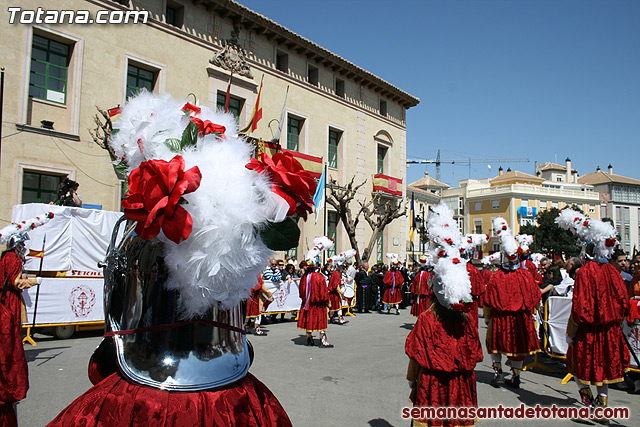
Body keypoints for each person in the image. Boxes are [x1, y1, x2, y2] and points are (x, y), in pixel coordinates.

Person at [405, 202, 482, 427]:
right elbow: (475, 354)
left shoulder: (427, 319)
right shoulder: (468, 320)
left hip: (433, 386)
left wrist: (412, 381)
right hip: (462, 386)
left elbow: (415, 355)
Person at [557, 208, 630, 415]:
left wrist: (571, 333)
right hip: (609, 330)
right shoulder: (614, 272)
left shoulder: (585, 273)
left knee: (581, 364)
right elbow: (623, 302)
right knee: (604, 368)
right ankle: (602, 404)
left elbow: (580, 307)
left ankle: (589, 402)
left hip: (588, 330)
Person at [484, 217, 541, 389]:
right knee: (518, 347)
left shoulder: (497, 276)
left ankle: (498, 372)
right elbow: (535, 296)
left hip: (500, 318)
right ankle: (516, 376)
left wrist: (487, 318)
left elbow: (488, 301)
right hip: (521, 317)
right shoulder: (525, 275)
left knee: (495, 345)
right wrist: (533, 311)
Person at [297, 243, 333, 347]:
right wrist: (327, 302)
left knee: (309, 320)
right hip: (318, 305)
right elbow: (323, 292)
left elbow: (301, 291)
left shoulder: (304, 277)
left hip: (307, 303)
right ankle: (323, 340)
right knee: (321, 321)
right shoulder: (319, 277)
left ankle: (309, 338)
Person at [326, 258, 346, 324]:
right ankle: (340, 318)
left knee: (333, 306)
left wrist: (342, 283)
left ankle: (332, 318)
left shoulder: (335, 273)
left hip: (332, 293)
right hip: (335, 293)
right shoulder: (337, 273)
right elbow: (336, 285)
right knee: (338, 306)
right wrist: (340, 291)